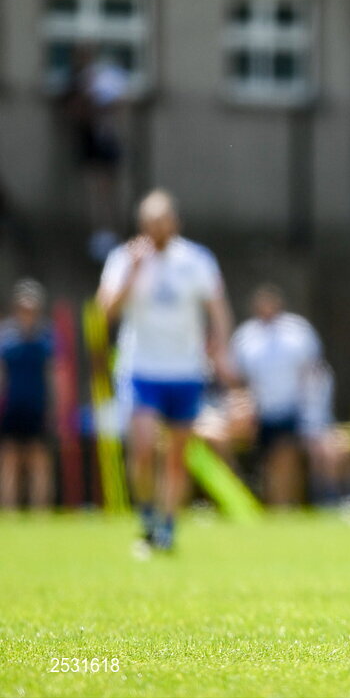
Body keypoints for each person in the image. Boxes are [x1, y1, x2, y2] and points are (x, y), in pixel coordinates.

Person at [98, 189, 233, 552]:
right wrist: (132, 274)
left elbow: (217, 307)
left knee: (176, 455)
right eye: (150, 222)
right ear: (142, 224)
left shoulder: (196, 259)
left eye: (163, 220)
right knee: (142, 447)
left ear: (175, 222)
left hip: (186, 370)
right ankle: (147, 516)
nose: (157, 227)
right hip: (140, 367)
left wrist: (219, 346)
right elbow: (104, 310)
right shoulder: (124, 258)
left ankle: (169, 526)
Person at [230, 285, 350, 506]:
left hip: (294, 413)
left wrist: (312, 416)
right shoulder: (245, 337)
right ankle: (267, 503)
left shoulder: (297, 331)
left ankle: (320, 502)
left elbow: (313, 373)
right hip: (261, 415)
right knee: (274, 461)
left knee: (294, 455)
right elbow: (237, 379)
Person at [61, 44, 128, 261]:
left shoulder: (100, 80)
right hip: (91, 148)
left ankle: (109, 234)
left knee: (108, 192)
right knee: (95, 192)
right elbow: (74, 110)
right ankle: (100, 236)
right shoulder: (78, 83)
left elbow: (114, 105)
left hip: (106, 147)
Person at [0, 279, 55, 509]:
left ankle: (40, 511)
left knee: (39, 460)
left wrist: (56, 409)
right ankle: (9, 511)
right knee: (10, 458)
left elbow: (54, 375)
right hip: (11, 407)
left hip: (37, 406)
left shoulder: (45, 338)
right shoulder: (6, 338)